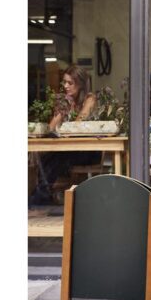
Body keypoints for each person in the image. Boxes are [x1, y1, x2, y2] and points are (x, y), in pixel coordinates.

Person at [29, 65, 101, 206]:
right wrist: (62, 107)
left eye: (70, 83)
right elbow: (51, 127)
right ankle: (43, 193)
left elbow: (79, 123)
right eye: (64, 82)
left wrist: (69, 106)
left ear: (80, 84)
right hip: (70, 150)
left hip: (89, 150)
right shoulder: (66, 100)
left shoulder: (90, 99)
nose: (66, 86)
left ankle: (41, 195)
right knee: (48, 155)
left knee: (59, 155)